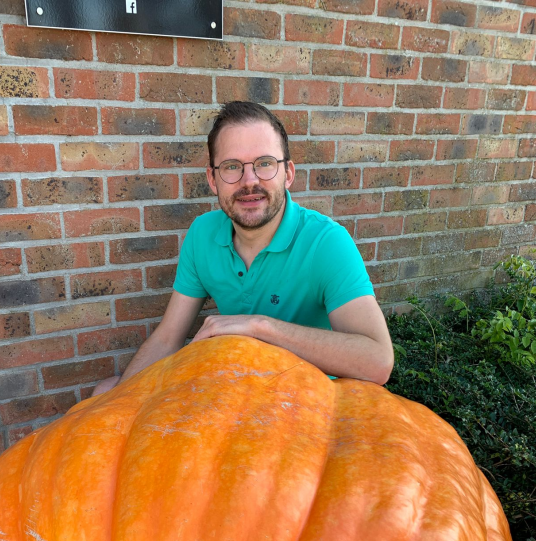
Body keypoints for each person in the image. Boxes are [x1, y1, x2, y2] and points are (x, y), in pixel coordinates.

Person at [92, 101, 393, 396]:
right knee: (105, 391)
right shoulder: (202, 234)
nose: (250, 182)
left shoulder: (326, 243)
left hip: (307, 402)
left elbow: (378, 361)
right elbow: (168, 338)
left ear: (287, 173)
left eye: (264, 164)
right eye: (232, 167)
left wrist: (260, 327)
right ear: (213, 179)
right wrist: (116, 405)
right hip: (233, 389)